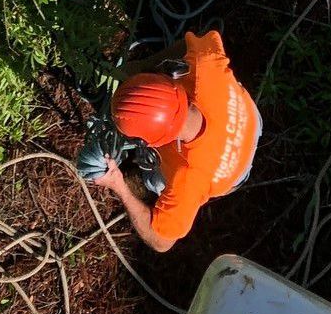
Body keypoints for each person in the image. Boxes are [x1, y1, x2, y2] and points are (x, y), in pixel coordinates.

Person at [91, 29, 260, 252]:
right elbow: (196, 40)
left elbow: (161, 242)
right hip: (249, 121)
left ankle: (144, 179)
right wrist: (145, 66)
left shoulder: (187, 180)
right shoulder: (204, 67)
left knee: (154, 181)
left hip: (230, 175)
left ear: (153, 143)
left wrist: (118, 184)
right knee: (251, 123)